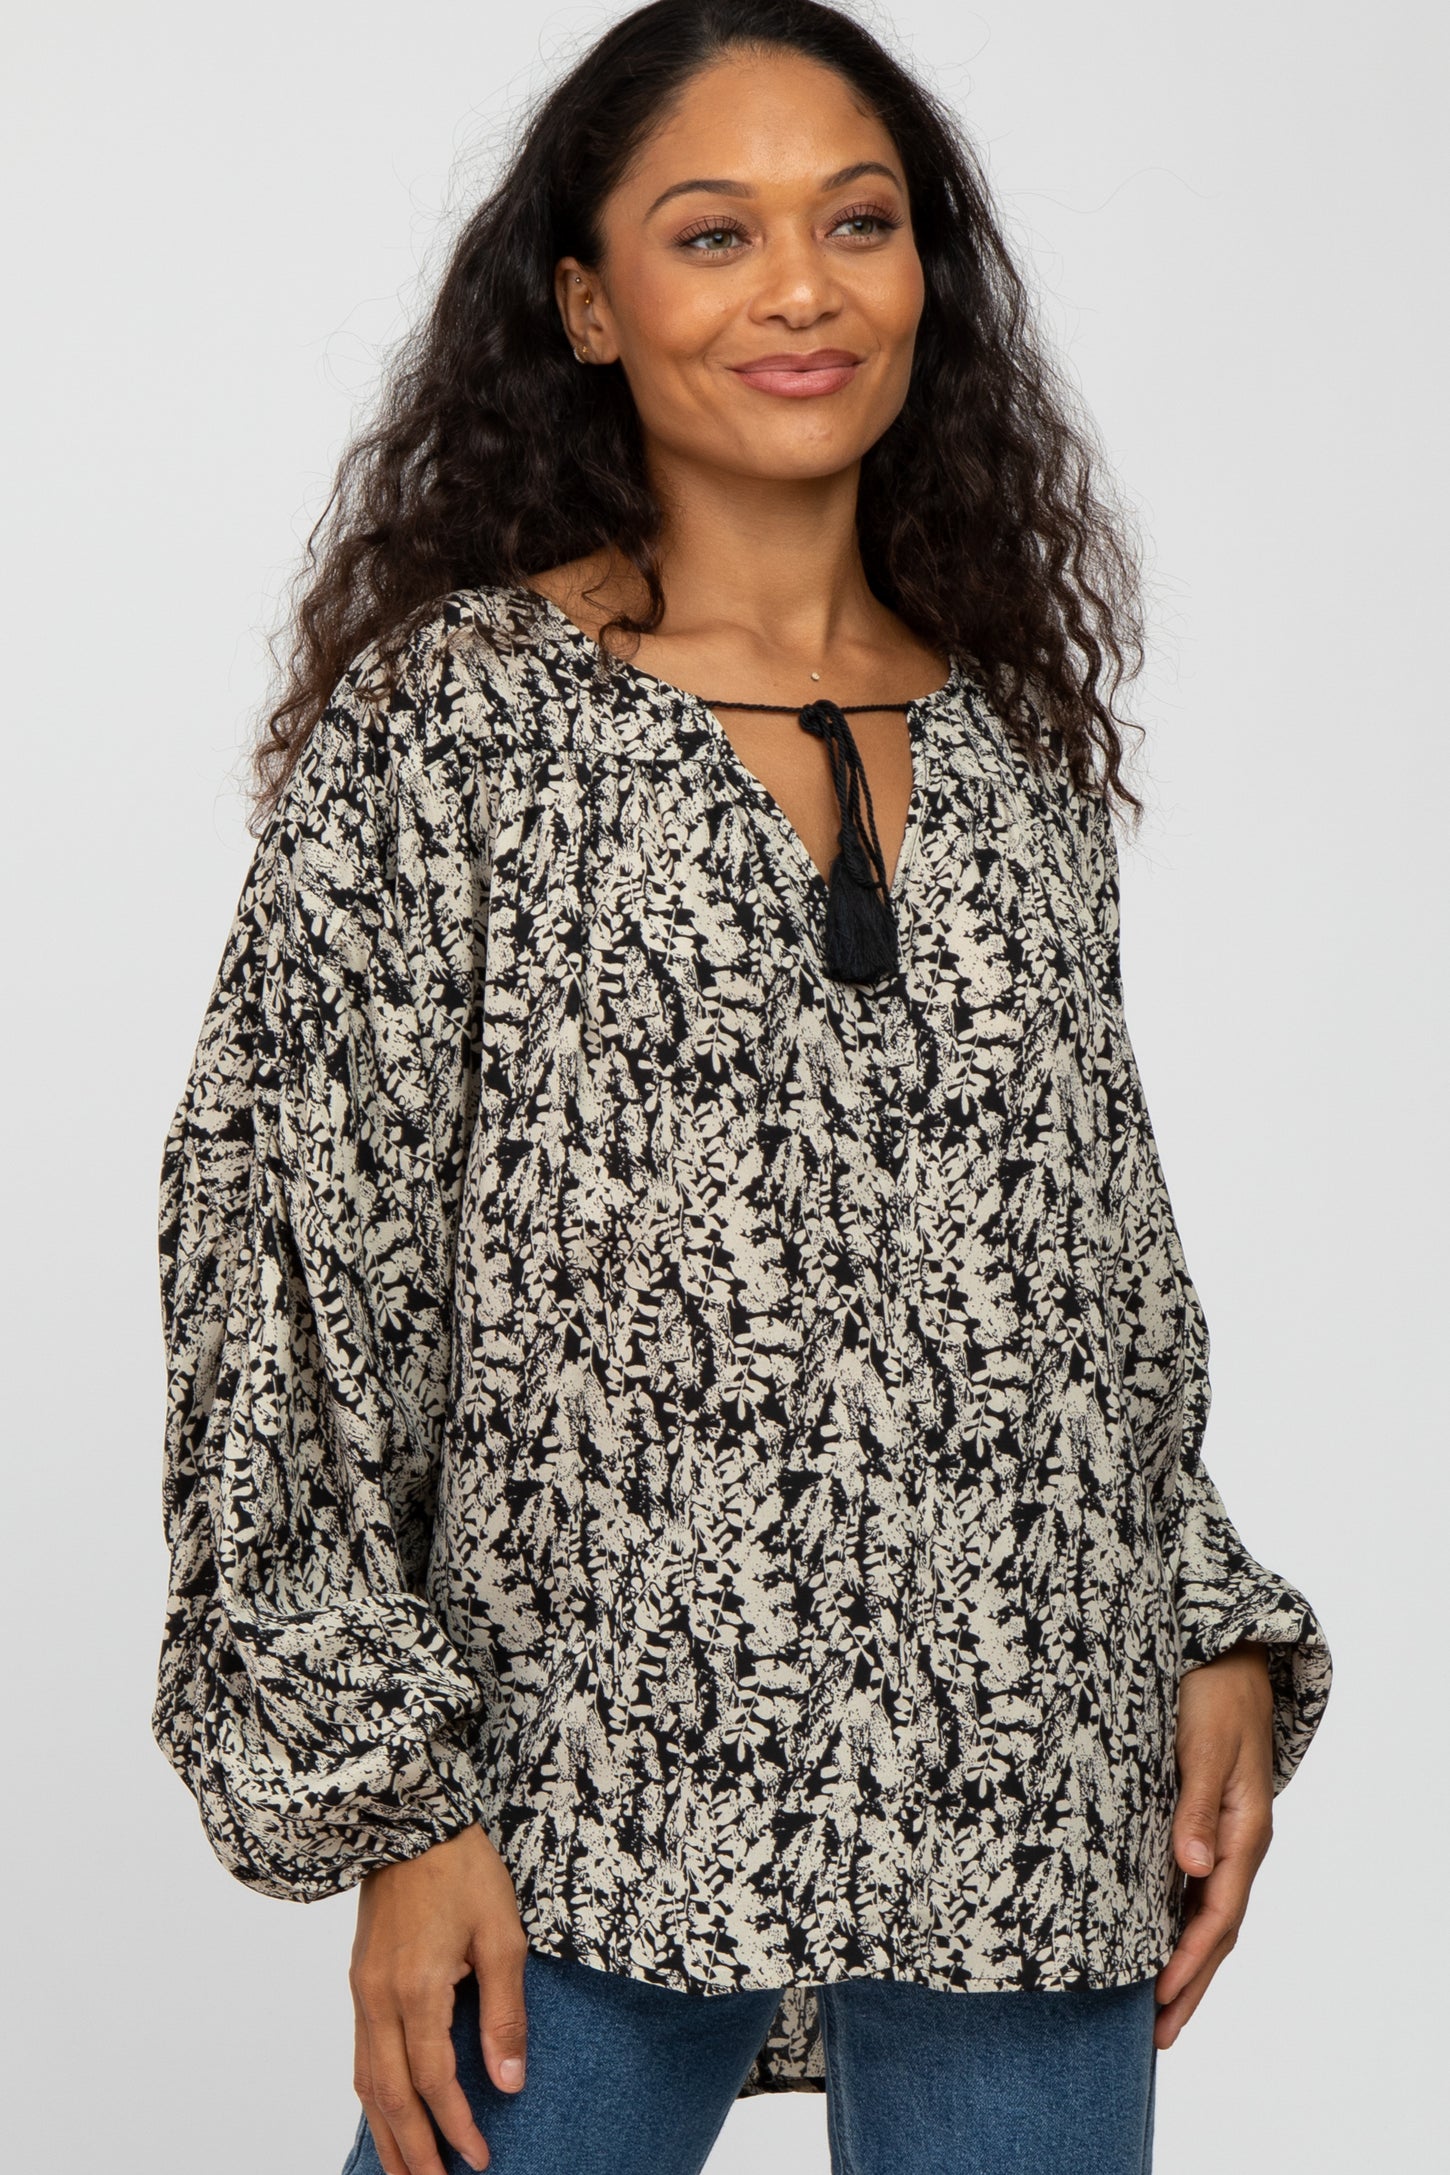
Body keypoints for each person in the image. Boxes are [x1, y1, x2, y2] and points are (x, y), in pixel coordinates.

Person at [150, 5, 1334, 2172]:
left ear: (922, 278)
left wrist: (1201, 1619)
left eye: (856, 223)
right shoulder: (461, 725)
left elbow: (1095, 1276)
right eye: (714, 234)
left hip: (1025, 1775)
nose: (801, 286)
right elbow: (286, 1268)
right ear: (587, 304)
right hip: (579, 1790)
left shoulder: (1014, 753)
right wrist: (392, 1798)